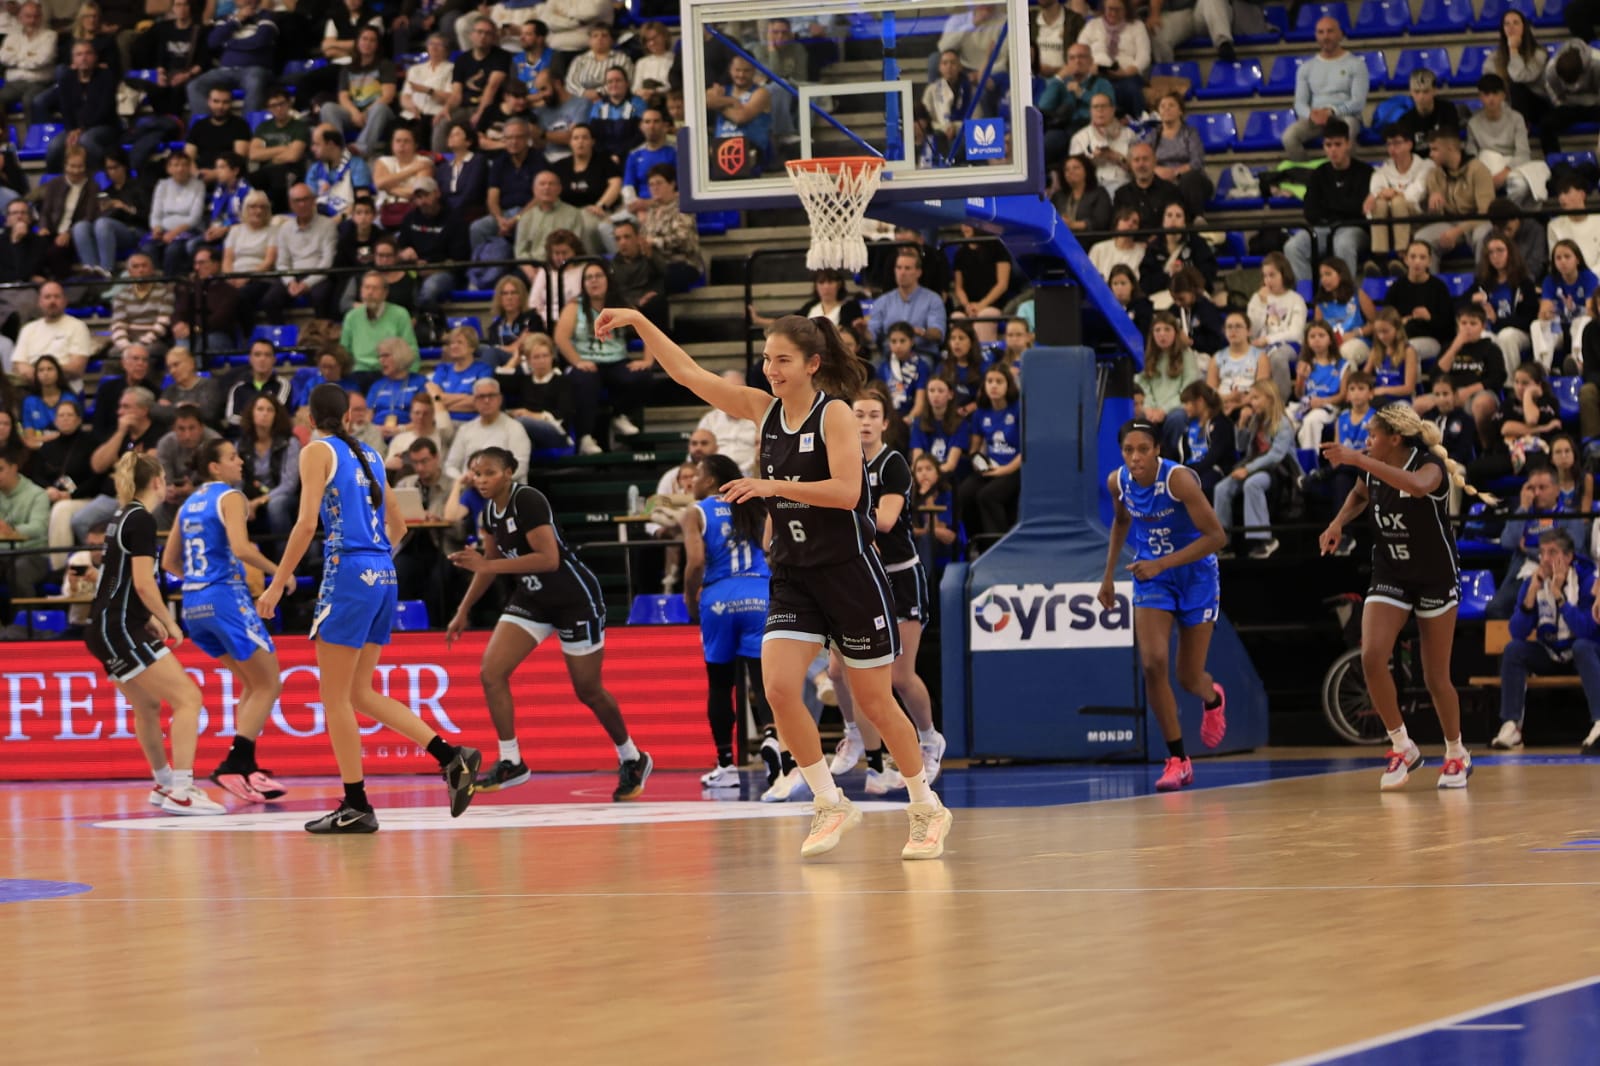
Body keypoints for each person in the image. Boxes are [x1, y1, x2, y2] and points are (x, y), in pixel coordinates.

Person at [593, 306, 954, 860]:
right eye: (766, 359)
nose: (771, 369)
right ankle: (829, 803)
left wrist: (768, 485)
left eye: (782, 360)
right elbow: (691, 375)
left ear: (812, 363)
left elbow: (846, 493)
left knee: (876, 703)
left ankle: (926, 808)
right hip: (792, 574)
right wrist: (641, 323)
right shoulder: (763, 412)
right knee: (781, 690)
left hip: (849, 574)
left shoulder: (833, 414)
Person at [256, 385, 481, 832]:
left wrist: (277, 584)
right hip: (382, 572)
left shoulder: (317, 451)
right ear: (348, 416)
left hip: (350, 571)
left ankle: (357, 804)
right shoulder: (372, 457)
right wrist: (373, 557)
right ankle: (450, 756)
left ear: (309, 415)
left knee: (334, 698)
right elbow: (399, 525)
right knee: (359, 693)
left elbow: (304, 524)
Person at [444, 445, 651, 798]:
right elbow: (489, 562)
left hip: (574, 599)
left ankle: (632, 757)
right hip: (532, 598)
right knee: (491, 673)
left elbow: (548, 559)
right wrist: (463, 610)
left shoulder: (528, 500)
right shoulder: (488, 513)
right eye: (476, 473)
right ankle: (512, 761)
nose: (481, 480)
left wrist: (488, 565)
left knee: (588, 690)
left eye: (488, 472)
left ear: (509, 472)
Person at [1318, 403, 1488, 790]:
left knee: (1435, 677)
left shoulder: (1428, 465)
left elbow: (1415, 487)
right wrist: (1337, 523)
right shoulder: (1373, 467)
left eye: (1372, 436)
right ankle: (1402, 745)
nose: (1366, 442)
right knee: (1372, 655)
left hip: (1434, 577)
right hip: (1391, 570)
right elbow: (1361, 494)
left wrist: (1359, 458)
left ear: (1395, 439)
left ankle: (1456, 752)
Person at [85, 452, 225, 814]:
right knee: (188, 699)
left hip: (105, 625)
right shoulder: (142, 520)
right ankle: (182, 789)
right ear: (158, 482)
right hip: (118, 626)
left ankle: (163, 784)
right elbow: (145, 584)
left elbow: (119, 579)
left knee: (146, 705)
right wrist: (169, 620)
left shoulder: (121, 517)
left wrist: (144, 616)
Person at [825, 391, 948, 790]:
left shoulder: (893, 463)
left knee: (899, 675)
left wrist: (841, 517)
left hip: (898, 574)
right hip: (858, 575)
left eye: (872, 415)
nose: (863, 421)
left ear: (884, 423)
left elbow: (889, 520)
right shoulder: (840, 460)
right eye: (857, 413)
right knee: (837, 670)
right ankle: (854, 734)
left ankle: (929, 740)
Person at [1099, 420, 1229, 790]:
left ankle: (1212, 697)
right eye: (1128, 450)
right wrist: (1108, 576)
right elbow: (1122, 522)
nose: (1135, 457)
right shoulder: (1118, 482)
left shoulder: (1179, 481)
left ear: (1157, 449)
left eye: (1143, 449)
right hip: (1152, 577)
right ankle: (1177, 759)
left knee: (1188, 676)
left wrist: (1163, 562)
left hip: (1195, 577)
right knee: (1153, 663)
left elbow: (1216, 537)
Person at [161, 437, 287, 803]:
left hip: (194, 605)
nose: (240, 463)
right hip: (225, 598)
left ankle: (245, 768)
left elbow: (169, 562)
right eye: (233, 458)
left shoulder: (188, 504)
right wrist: (280, 574)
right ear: (215, 467)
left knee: (252, 683)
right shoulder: (230, 497)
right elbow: (243, 549)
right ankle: (237, 763)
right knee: (269, 683)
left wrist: (200, 582)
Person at [683, 451, 778, 788]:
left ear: (710, 480)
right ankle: (773, 739)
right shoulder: (753, 503)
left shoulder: (696, 512)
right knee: (763, 679)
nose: (692, 480)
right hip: (759, 592)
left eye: (697, 474)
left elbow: (695, 562)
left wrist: (688, 595)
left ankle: (725, 766)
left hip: (720, 597)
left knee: (721, 684)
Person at [1491, 528, 1600, 754]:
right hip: (1551, 653)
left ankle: (1599, 721)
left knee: (1582, 646)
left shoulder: (1588, 580)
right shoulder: (1535, 581)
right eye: (1542, 553)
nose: (1546, 559)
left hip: (1585, 653)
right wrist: (1530, 595)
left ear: (1569, 557)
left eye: (1553, 552)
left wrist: (1559, 595)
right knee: (1514, 650)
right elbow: (1517, 632)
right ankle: (1512, 726)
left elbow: (1587, 630)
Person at [1285, 119, 1371, 290]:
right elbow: (1310, 211)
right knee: (1293, 246)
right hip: (1323, 228)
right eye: (1328, 145)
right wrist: (1343, 209)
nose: (1333, 150)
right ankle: (1307, 296)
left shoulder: (1365, 172)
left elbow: (1361, 211)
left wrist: (1331, 208)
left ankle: (1346, 297)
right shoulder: (1319, 174)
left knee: (1343, 244)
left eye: (1338, 144)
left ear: (1348, 144)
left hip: (1356, 230)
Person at [1214, 380, 1293, 560]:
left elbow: (1275, 456)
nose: (1251, 401)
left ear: (1270, 398)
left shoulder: (1282, 423)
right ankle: (1223, 543)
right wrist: (1241, 424)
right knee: (1221, 488)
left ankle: (1263, 540)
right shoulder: (1256, 420)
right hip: (1254, 466)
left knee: (1252, 484)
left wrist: (1248, 470)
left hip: (1277, 471)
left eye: (1256, 397)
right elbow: (1241, 447)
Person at [1285, 17, 1369, 160]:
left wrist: (1331, 111)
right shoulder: (1306, 68)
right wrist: (1311, 114)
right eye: (1321, 32)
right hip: (1315, 119)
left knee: (1348, 128)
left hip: (1344, 116)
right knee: (1289, 137)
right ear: (1316, 36)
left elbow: (1358, 102)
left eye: (1330, 31)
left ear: (1340, 34)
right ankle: (1309, 174)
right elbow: (1299, 103)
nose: (1325, 36)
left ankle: (1345, 174)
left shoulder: (1356, 65)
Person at [959, 366, 1023, 544]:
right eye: (990, 381)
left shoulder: (1018, 408)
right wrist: (978, 463)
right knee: (964, 493)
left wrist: (1004, 470)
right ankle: (978, 543)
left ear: (1008, 385)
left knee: (987, 496)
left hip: (1014, 468)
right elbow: (975, 448)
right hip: (990, 467)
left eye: (999, 381)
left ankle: (1001, 545)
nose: (994, 386)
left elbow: (1027, 451)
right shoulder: (981, 412)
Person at [1366, 124, 1435, 264]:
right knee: (1379, 204)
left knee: (1398, 202)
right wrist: (1379, 195)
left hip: (1417, 217)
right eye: (1389, 144)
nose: (1392, 149)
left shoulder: (1425, 165)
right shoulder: (1384, 168)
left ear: (1409, 144)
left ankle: (1402, 255)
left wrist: (1390, 193)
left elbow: (1416, 194)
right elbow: (1374, 194)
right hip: (1391, 219)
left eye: (1397, 143)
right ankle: (1380, 258)